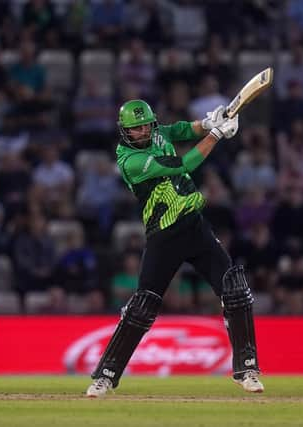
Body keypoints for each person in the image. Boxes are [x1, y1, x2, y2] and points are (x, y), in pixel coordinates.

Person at [86, 100, 264, 397]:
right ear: (124, 131)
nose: (142, 131)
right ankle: (105, 376)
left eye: (145, 125)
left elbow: (181, 130)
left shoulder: (157, 133)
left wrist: (207, 123)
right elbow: (185, 164)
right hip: (163, 236)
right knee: (142, 306)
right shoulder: (129, 160)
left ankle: (247, 369)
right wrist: (216, 135)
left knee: (235, 289)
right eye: (135, 128)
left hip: (195, 227)